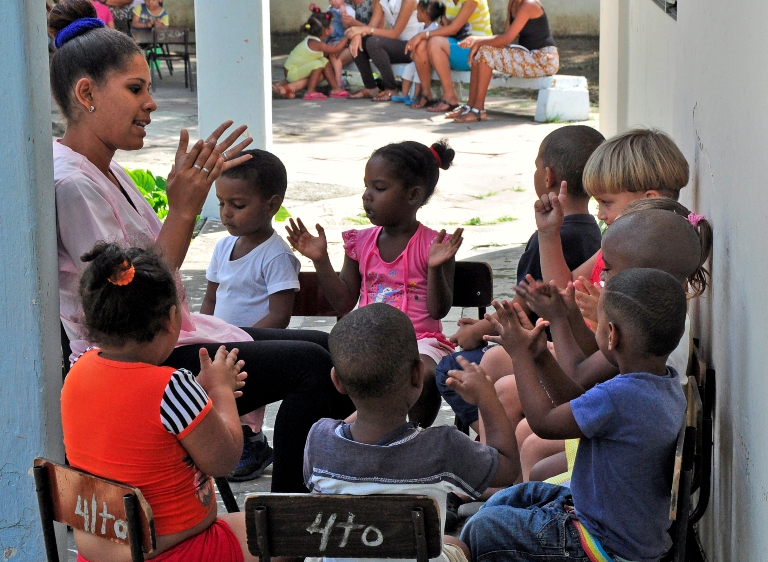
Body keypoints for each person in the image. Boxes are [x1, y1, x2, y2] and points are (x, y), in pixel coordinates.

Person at [49, 0, 353, 494]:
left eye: (147, 87)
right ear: (86, 93)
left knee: (334, 350)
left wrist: (178, 203)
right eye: (135, 89)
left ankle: (307, 497)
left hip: (170, 337)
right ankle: (286, 525)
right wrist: (184, 211)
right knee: (315, 367)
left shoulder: (109, 169)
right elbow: (132, 298)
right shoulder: (73, 184)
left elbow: (151, 259)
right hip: (134, 356)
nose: (151, 103)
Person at [457, 268, 688, 562]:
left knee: (483, 529)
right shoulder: (660, 383)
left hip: (601, 545)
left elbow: (544, 423)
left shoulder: (619, 396)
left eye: (600, 325)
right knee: (513, 496)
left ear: (612, 335)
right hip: (618, 526)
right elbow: (577, 405)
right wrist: (540, 355)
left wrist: (520, 356)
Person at [62, 244, 255, 562]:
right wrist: (220, 391)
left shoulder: (78, 371)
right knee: (280, 530)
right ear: (171, 318)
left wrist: (199, 400)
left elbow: (137, 427)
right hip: (177, 552)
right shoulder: (172, 388)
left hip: (99, 552)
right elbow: (223, 462)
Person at [511, 204, 712, 483]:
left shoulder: (642, 328)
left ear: (643, 274)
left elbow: (577, 380)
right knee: (539, 473)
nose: (602, 276)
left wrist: (534, 343)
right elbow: (599, 356)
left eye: (609, 267)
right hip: (627, 445)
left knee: (530, 486)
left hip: (622, 466)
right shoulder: (663, 316)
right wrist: (568, 315)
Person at [304, 304, 520, 562]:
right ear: (418, 374)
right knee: (458, 545)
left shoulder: (319, 438)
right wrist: (487, 399)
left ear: (337, 381)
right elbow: (507, 468)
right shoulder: (442, 447)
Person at [436, 125, 605, 439]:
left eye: (536, 166)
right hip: (559, 344)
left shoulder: (554, 238)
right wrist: (490, 323)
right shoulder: (590, 230)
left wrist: (478, 331)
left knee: (450, 368)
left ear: (548, 176)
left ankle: (500, 444)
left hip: (548, 346)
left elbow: (527, 304)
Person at [286, 141, 463, 428]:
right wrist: (320, 260)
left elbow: (438, 310)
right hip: (367, 337)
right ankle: (351, 436)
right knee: (334, 368)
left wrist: (436, 268)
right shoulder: (360, 242)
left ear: (413, 195)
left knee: (425, 373)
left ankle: (415, 436)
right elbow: (344, 302)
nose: (367, 196)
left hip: (420, 340)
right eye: (367, 187)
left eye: (379, 188)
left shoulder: (434, 246)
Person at [200, 149, 301, 482]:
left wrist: (241, 340)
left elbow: (280, 315)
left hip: (251, 344)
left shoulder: (276, 256)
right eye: (222, 203)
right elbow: (212, 297)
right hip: (219, 341)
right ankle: (228, 440)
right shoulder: (222, 247)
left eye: (238, 205)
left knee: (244, 395)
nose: (227, 214)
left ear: (271, 205)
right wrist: (204, 332)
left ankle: (252, 443)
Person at [449, 0, 558, 122]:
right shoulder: (512, 3)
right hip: (528, 54)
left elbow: (507, 38)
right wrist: (478, 43)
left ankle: (478, 110)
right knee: (481, 50)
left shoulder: (529, 4)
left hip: (544, 60)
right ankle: (470, 106)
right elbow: (506, 37)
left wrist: (478, 40)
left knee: (485, 51)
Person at [406, 0, 492, 111]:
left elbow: (454, 28)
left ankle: (449, 96)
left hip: (477, 50)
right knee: (421, 45)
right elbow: (447, 26)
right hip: (458, 46)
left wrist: (422, 35)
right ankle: (426, 94)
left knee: (434, 41)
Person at [345, 0, 420, 100]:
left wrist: (363, 30)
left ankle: (391, 89)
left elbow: (395, 33)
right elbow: (371, 27)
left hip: (414, 47)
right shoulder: (380, 1)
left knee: (373, 43)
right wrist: (358, 35)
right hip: (397, 46)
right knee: (358, 42)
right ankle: (370, 88)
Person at [272, 10, 350, 100]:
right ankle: (310, 91)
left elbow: (328, 52)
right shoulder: (316, 44)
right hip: (292, 72)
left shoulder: (314, 40)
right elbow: (336, 49)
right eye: (331, 25)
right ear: (326, 31)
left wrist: (330, 50)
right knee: (318, 64)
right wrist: (347, 36)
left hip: (294, 70)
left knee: (324, 61)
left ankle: (335, 88)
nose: (333, 27)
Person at [392, 0, 446, 104]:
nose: (416, 14)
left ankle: (416, 96)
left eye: (418, 12)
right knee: (408, 69)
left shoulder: (434, 29)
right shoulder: (421, 28)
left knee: (418, 73)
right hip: (417, 58)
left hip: (426, 60)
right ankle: (404, 94)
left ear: (425, 14)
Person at [310, 0, 357, 87]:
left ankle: (338, 81)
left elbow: (348, 27)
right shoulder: (329, 9)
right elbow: (323, 22)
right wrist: (316, 11)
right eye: (331, 0)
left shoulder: (349, 9)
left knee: (334, 55)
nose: (333, 2)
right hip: (329, 39)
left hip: (342, 39)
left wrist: (344, 14)